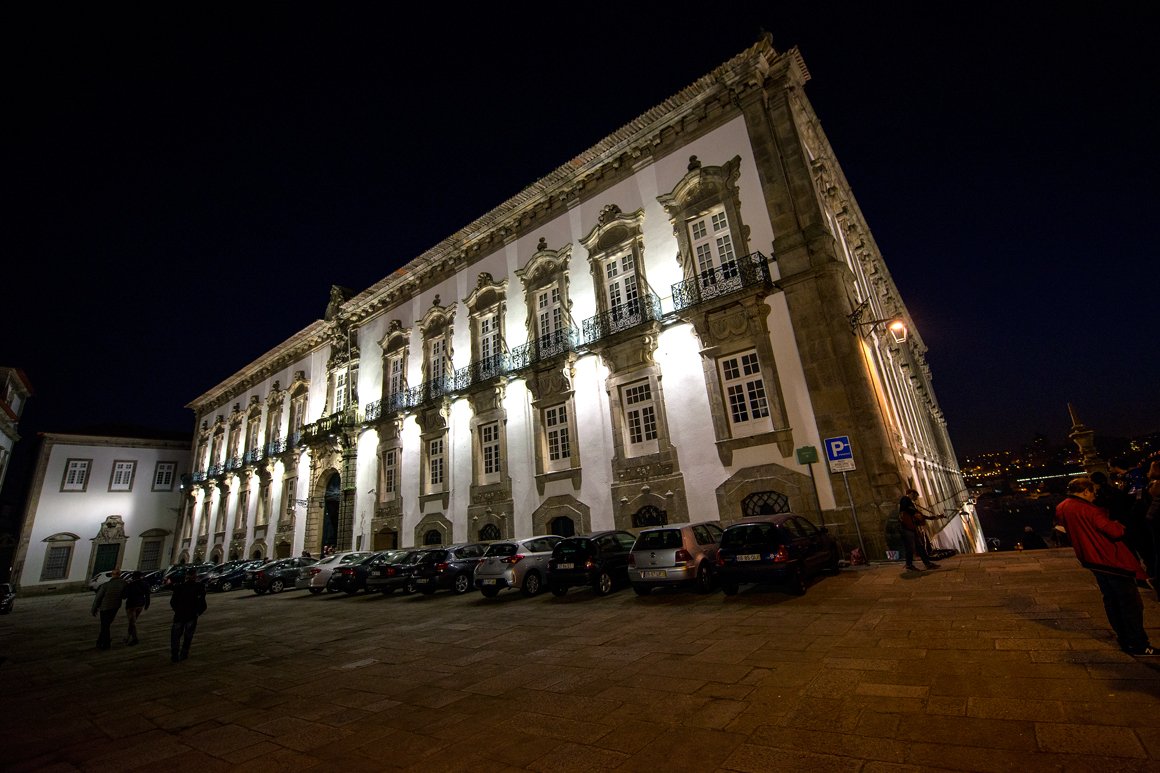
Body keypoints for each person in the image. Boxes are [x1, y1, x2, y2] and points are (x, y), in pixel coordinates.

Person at [1055, 476, 1156, 656]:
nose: (1094, 496)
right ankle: (1139, 643)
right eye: (1093, 492)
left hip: (1091, 559)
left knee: (1111, 600)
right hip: (1110, 560)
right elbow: (1114, 532)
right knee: (1130, 603)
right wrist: (1118, 525)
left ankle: (1124, 638)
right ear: (1085, 491)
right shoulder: (1090, 510)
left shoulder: (1062, 507)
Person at [169, 571, 207, 663]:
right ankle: (183, 653)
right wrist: (198, 612)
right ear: (195, 577)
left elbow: (173, 602)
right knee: (188, 636)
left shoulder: (179, 587)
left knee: (176, 636)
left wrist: (177, 610)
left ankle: (175, 653)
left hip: (180, 615)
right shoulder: (199, 587)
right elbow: (202, 603)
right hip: (191, 615)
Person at [899, 488, 939, 571]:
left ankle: (927, 564)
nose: (916, 498)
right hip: (907, 528)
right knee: (910, 547)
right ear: (911, 493)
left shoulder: (910, 503)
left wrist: (931, 517)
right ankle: (909, 565)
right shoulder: (905, 499)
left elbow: (918, 514)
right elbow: (906, 509)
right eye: (916, 496)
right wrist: (915, 513)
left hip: (911, 528)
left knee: (920, 547)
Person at [91, 569, 127, 650]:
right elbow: (124, 596)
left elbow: (98, 598)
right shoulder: (124, 583)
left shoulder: (106, 585)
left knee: (105, 625)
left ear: (112, 575)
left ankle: (106, 643)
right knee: (106, 625)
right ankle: (100, 642)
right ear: (120, 575)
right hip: (115, 606)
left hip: (105, 607)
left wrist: (94, 609)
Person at [122, 571, 151, 645]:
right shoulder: (145, 584)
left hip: (131, 605)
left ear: (133, 577)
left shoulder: (130, 585)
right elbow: (147, 595)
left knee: (132, 622)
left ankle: (134, 639)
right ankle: (128, 637)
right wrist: (147, 604)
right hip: (140, 604)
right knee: (132, 622)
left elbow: (124, 596)